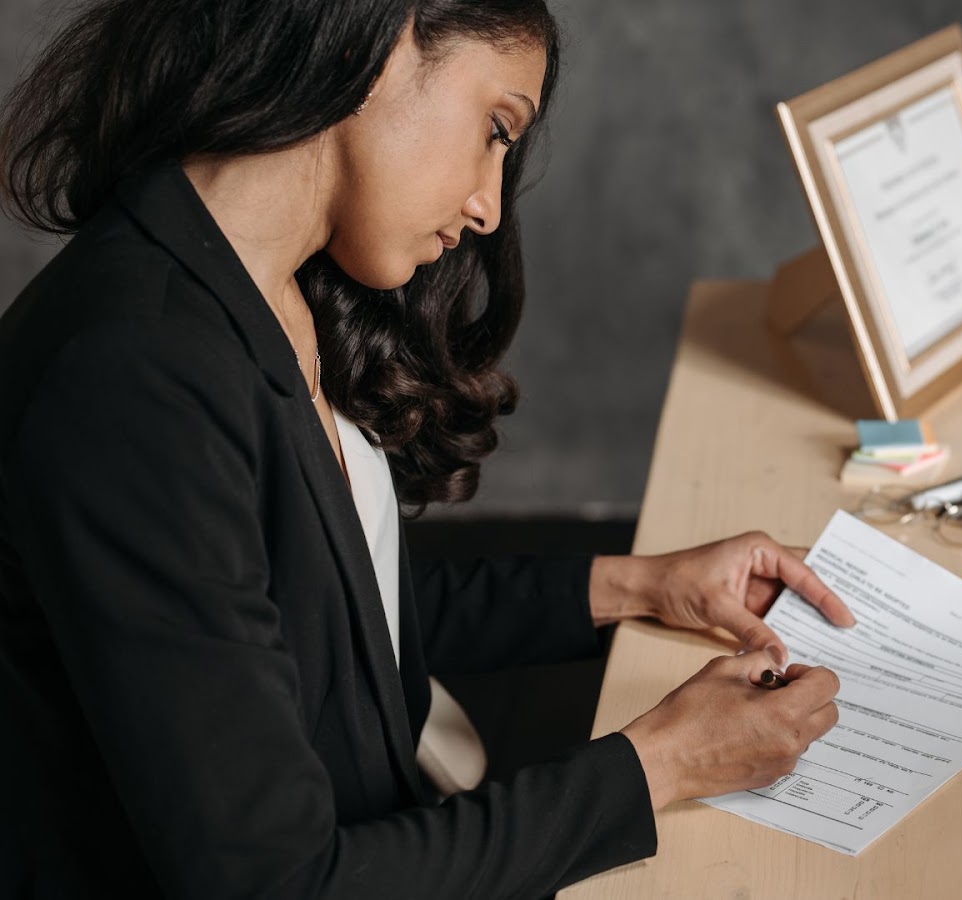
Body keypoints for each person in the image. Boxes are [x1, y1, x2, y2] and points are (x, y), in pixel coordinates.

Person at [0, 1, 852, 897]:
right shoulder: (135, 379)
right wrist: (662, 764)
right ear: (382, 37)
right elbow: (279, 883)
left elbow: (332, 624)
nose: (488, 204)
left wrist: (642, 584)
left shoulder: (270, 285)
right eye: (494, 128)